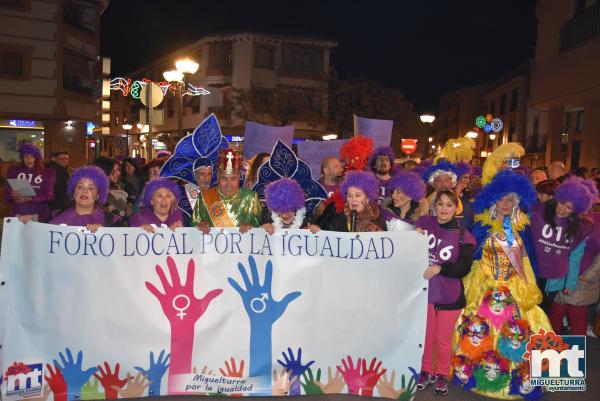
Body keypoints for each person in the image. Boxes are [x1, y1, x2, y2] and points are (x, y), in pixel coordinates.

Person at [452, 166, 551, 399]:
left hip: (513, 284)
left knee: (519, 327)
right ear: (492, 200)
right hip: (483, 282)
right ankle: (470, 369)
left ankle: (521, 376)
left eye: (509, 200)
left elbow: (526, 259)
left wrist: (529, 283)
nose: (505, 204)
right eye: (501, 200)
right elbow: (470, 250)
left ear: (516, 202)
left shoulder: (522, 228)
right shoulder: (482, 225)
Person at [415, 190, 476, 397]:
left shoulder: (463, 235)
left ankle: (441, 373)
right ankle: (427, 371)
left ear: (456, 208)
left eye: (449, 205)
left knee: (442, 339)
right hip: (426, 293)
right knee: (427, 336)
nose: (444, 209)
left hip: (450, 296)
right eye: (440, 204)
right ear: (434, 206)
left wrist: (441, 268)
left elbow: (464, 267)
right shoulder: (425, 223)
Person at [531, 178, 594, 314]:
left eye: (569, 207)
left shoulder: (580, 229)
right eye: (562, 203)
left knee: (543, 314)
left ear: (576, 210)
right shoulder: (538, 215)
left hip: (553, 281)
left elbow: (575, 257)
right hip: (531, 273)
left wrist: (571, 282)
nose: (562, 209)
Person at [193, 148, 262, 234]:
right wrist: (199, 225)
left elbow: (260, 227)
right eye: (224, 178)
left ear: (239, 177)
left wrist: (252, 227)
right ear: (218, 176)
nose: (228, 184)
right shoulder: (204, 197)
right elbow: (192, 225)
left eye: (233, 178)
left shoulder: (251, 198)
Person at [50, 166, 118, 232]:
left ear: (98, 195)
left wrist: (104, 233)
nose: (85, 191)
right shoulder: (57, 217)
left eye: (91, 188)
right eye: (80, 187)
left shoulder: (110, 221)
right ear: (74, 193)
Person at [314, 170, 386, 232]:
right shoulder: (336, 220)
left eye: (358, 195)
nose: (353, 199)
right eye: (350, 196)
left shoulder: (378, 221)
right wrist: (318, 232)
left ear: (367, 198)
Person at [5, 143, 56, 223]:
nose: (29, 159)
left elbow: (49, 196)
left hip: (38, 215)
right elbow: (7, 195)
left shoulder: (47, 173)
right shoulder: (14, 171)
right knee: (19, 235)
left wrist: (30, 198)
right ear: (22, 157)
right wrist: (12, 195)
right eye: (26, 156)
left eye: (31, 156)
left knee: (37, 235)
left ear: (36, 157)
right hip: (18, 215)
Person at [46, 150, 71, 217]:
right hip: (58, 205)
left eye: (66, 158)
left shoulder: (65, 170)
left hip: (61, 204)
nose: (64, 160)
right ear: (56, 160)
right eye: (61, 159)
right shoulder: (56, 171)